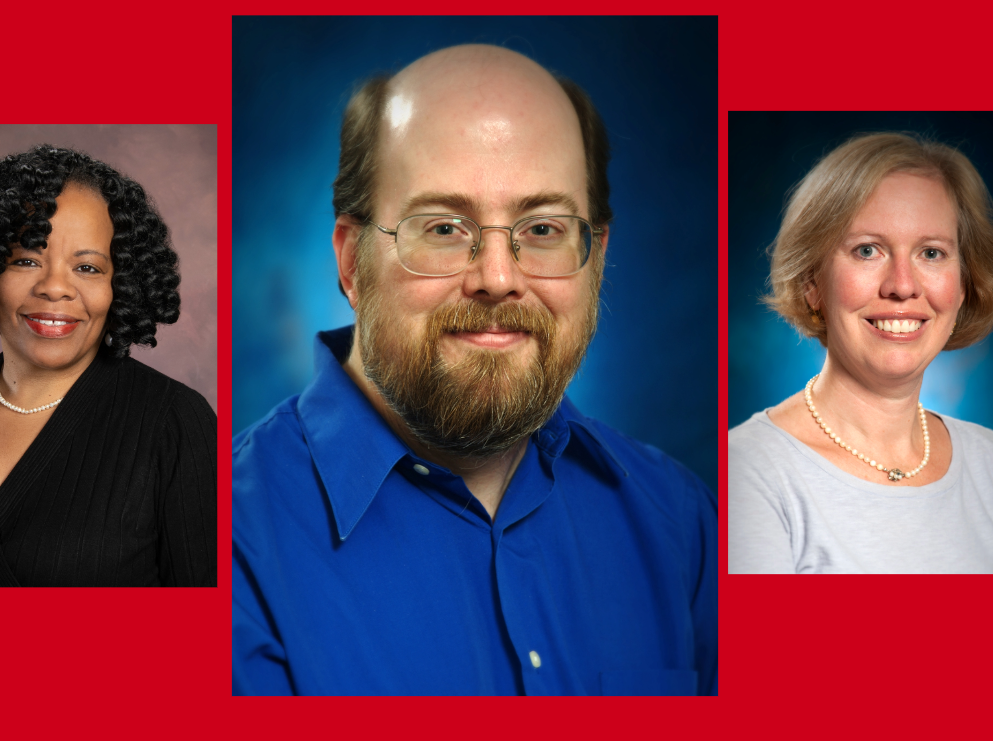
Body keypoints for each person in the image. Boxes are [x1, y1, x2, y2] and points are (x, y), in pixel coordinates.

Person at [232, 45, 717, 695]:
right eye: (443, 227)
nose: (496, 278)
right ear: (351, 262)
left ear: (596, 258)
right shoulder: (221, 540)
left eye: (542, 228)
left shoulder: (678, 519)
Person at [0, 145, 217, 587]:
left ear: (120, 285)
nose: (55, 288)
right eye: (26, 260)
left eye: (87, 267)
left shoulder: (175, 422)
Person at [728, 132, 993, 574]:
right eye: (867, 250)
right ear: (811, 282)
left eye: (931, 253)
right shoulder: (749, 470)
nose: (902, 285)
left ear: (963, 284)